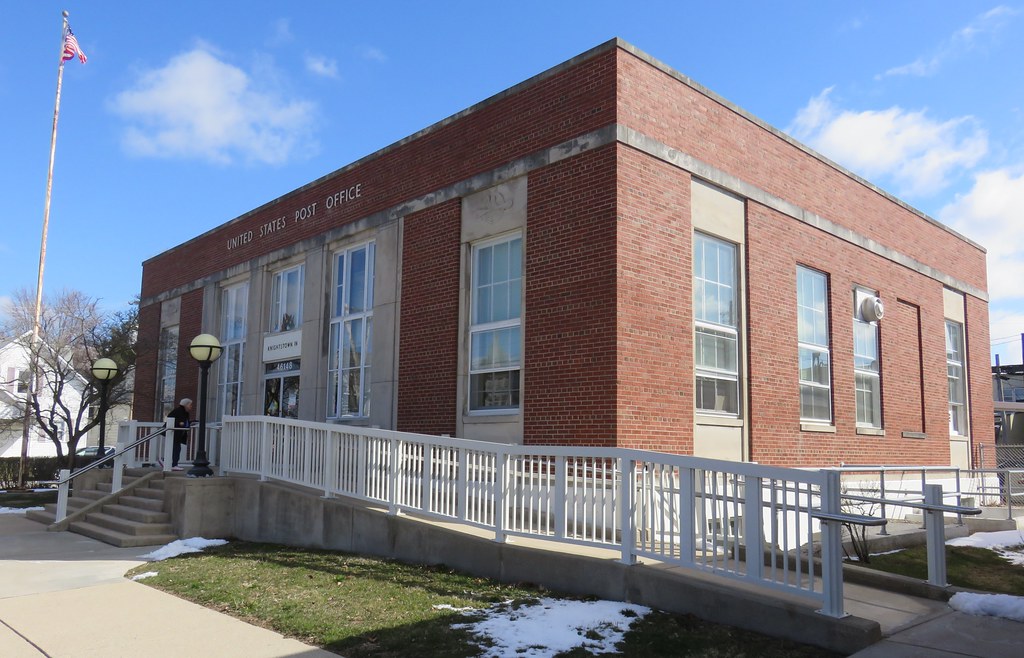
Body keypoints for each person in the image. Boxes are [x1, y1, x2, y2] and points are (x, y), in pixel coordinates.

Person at [167, 398, 193, 471]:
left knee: (177, 448)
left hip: (179, 434)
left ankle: (173, 463)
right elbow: (170, 417)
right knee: (175, 448)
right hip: (174, 433)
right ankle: (172, 463)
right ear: (186, 405)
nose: (191, 406)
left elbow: (185, 421)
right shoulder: (178, 411)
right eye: (190, 405)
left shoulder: (185, 412)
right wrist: (179, 423)